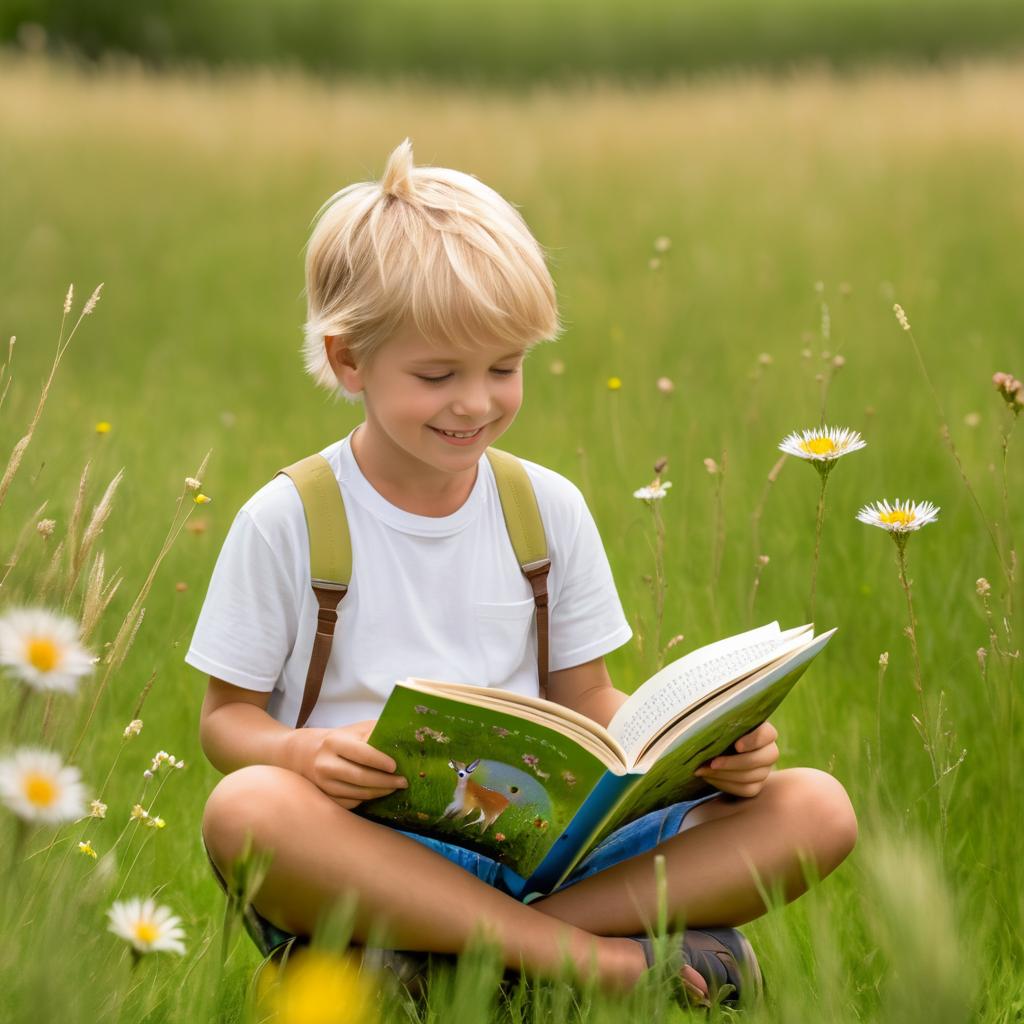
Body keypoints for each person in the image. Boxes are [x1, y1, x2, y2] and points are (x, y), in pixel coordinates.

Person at [189, 138, 857, 1007]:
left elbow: (588, 700)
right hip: (368, 849)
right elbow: (225, 724)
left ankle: (491, 955)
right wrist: (303, 751)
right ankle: (606, 963)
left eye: (504, 369)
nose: (476, 402)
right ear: (350, 359)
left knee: (818, 810)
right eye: (437, 375)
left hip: (547, 857)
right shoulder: (288, 520)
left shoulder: (543, 508)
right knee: (244, 810)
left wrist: (699, 756)